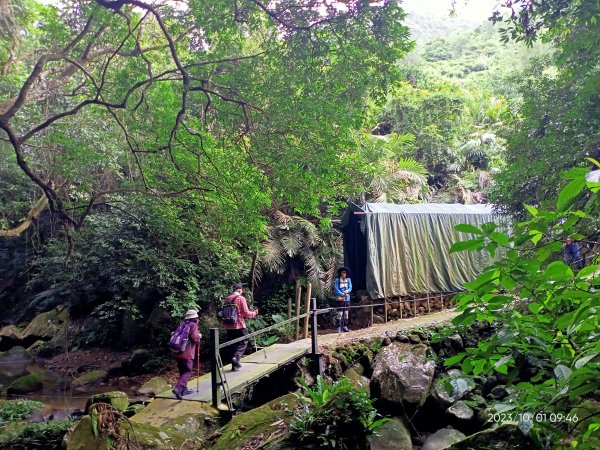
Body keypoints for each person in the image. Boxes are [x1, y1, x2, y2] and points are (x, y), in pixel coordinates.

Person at [222, 283, 258, 371]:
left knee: (232, 344)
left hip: (228, 325)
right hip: (239, 325)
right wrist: (255, 313)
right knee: (244, 341)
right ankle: (236, 358)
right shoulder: (241, 298)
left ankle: (234, 365)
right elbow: (246, 313)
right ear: (240, 290)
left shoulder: (227, 299)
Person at [172, 309, 202, 400]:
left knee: (182, 371)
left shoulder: (183, 324)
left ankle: (183, 389)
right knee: (188, 371)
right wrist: (200, 336)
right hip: (187, 353)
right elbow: (195, 338)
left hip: (177, 352)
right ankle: (178, 388)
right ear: (195, 318)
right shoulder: (193, 325)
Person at [333, 267, 352, 333]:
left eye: (345, 273)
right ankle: (338, 326)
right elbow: (336, 288)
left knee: (346, 313)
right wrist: (342, 294)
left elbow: (350, 287)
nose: (344, 274)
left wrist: (347, 291)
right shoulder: (337, 280)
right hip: (340, 298)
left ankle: (345, 326)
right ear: (340, 273)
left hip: (347, 298)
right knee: (340, 313)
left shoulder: (348, 279)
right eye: (343, 272)